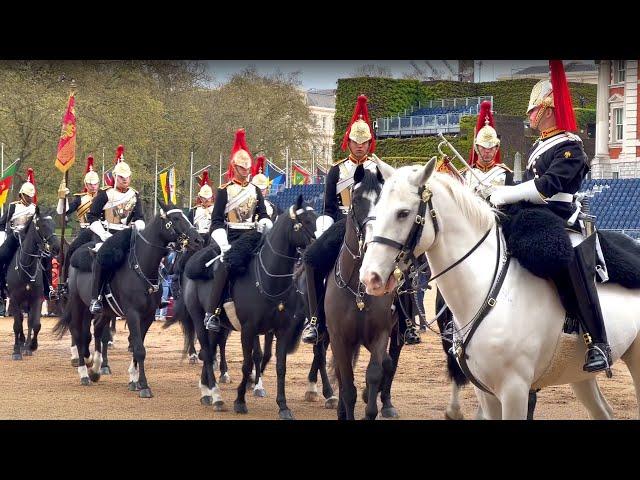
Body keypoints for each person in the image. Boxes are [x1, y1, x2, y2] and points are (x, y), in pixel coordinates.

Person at [489, 60, 612, 375]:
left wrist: (509, 193)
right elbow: (527, 187)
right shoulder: (541, 146)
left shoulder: (570, 146)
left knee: (568, 257)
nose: (529, 115)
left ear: (547, 110)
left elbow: (547, 187)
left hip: (560, 217)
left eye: (533, 110)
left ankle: (599, 341)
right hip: (534, 216)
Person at [301, 94, 421, 345]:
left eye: (364, 142)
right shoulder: (336, 170)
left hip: (376, 225)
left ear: (370, 143)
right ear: (349, 142)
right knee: (311, 260)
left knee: (401, 266)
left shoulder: (380, 169)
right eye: (356, 141)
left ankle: (408, 322)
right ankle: (314, 321)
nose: (360, 146)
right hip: (342, 224)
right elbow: (328, 206)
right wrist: (324, 225)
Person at [202, 128, 272, 332]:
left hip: (254, 236)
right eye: (242, 168)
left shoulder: (255, 190)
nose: (245, 171)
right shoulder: (224, 191)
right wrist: (223, 243)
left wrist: (265, 223)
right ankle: (212, 313)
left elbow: (263, 215)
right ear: (234, 167)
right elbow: (216, 221)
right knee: (225, 265)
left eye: (247, 168)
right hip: (232, 237)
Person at [87, 157, 145, 314]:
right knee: (101, 255)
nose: (125, 180)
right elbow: (91, 217)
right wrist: (102, 233)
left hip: (126, 235)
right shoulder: (105, 194)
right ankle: (95, 298)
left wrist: (138, 227)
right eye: (121, 177)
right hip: (106, 234)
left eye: (127, 177)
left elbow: (140, 217)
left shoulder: (134, 195)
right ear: (115, 177)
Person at [0, 168, 56, 305]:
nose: (29, 198)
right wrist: (3, 238)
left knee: (47, 258)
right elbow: (1, 224)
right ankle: (1, 287)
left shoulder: (34, 208)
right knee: (1, 256)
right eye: (27, 196)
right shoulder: (13, 207)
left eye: (31, 196)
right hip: (15, 237)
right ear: (21, 195)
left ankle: (48, 288)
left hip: (31, 239)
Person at [56, 155, 101, 291]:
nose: (93, 187)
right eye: (90, 184)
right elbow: (62, 212)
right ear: (86, 185)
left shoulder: (105, 196)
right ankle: (65, 280)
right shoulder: (80, 199)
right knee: (70, 251)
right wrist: (61, 198)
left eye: (95, 184)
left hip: (101, 231)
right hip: (85, 231)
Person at [463, 100, 513, 191]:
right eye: (483, 147)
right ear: (476, 147)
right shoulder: (465, 174)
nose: (487, 151)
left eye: (491, 148)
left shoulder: (506, 175)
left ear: (496, 148)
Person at [188, 170, 215, 239]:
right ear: (200, 197)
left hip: (212, 238)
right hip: (197, 238)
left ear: (212, 197)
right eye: (204, 198)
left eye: (208, 198)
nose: (206, 200)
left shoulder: (216, 210)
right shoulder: (194, 211)